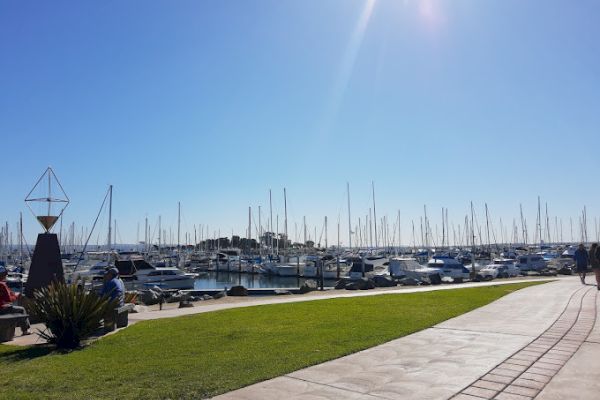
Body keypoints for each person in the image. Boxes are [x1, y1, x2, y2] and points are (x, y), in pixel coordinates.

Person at [0, 266, 31, 336]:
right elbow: (9, 299)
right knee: (21, 310)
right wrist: (17, 296)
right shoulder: (2, 284)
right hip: (1, 309)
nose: (5, 275)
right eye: (4, 274)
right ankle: (25, 330)